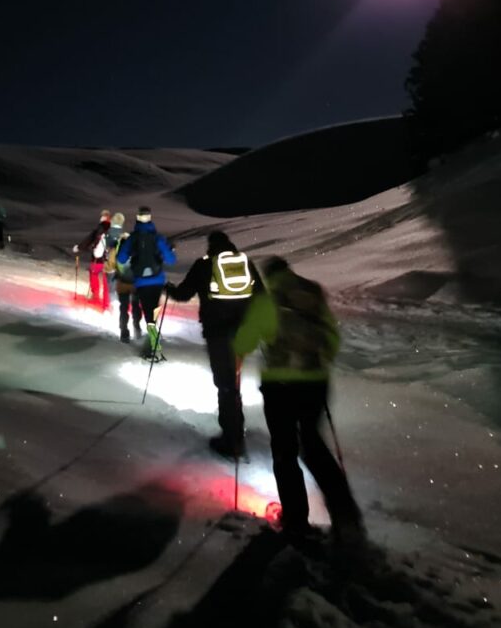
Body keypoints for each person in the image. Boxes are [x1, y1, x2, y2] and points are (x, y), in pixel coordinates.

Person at [233, 256, 363, 544]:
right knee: (314, 445)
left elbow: (246, 341)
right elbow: (332, 338)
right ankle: (346, 515)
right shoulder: (313, 293)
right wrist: (317, 363)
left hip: (280, 386)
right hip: (315, 383)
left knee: (285, 450)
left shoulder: (267, 301)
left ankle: (296, 520)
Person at [166, 231, 260, 458]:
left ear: (210, 246)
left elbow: (183, 294)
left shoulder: (203, 265)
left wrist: (168, 288)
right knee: (234, 380)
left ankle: (232, 440)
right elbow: (261, 295)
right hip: (243, 331)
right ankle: (236, 429)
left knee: (225, 384)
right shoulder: (245, 262)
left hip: (218, 333)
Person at [113, 206, 176, 358]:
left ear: (137, 219)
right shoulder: (158, 238)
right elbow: (171, 260)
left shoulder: (132, 238)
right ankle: (154, 344)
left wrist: (133, 256)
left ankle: (154, 344)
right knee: (152, 313)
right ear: (150, 219)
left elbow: (120, 258)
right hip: (157, 281)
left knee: (148, 313)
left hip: (141, 282)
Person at [105, 212, 142, 343]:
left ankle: (124, 331)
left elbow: (110, 265)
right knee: (136, 305)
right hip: (136, 283)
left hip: (122, 282)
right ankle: (137, 327)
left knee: (123, 307)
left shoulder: (117, 249)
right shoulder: (138, 250)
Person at [73, 209, 113, 311]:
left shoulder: (99, 229)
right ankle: (106, 303)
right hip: (109, 260)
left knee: (94, 274)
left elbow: (89, 239)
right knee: (106, 281)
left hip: (98, 259)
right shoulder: (114, 231)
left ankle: (95, 296)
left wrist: (79, 248)